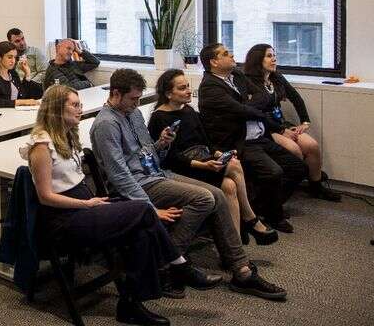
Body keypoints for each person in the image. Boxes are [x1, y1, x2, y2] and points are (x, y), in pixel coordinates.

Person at [90, 68, 286, 301]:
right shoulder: (106, 125)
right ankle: (171, 262)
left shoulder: (133, 114)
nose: (136, 103)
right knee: (204, 198)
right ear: (115, 93)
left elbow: (147, 153)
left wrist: (162, 144)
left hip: (157, 174)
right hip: (139, 184)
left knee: (217, 194)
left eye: (138, 98)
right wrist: (149, 208)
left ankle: (240, 269)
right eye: (133, 98)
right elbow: (120, 176)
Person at [23, 85, 177, 326]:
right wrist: (86, 204)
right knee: (143, 210)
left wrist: (89, 203)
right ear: (56, 108)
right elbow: (46, 197)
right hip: (63, 220)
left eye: (80, 104)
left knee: (141, 231)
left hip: (82, 207)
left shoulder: (65, 135)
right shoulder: (41, 146)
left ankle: (131, 303)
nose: (80, 109)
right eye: (74, 105)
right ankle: (178, 264)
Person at [148, 70, 278, 245]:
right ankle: (250, 219)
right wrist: (204, 165)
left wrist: (218, 154)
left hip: (202, 158)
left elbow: (206, 141)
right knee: (234, 165)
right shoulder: (159, 118)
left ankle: (235, 242)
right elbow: (170, 159)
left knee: (229, 185)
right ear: (169, 94)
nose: (188, 91)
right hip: (184, 167)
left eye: (188, 86)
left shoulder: (188, 110)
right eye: (182, 88)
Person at [197, 43, 308, 233]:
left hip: (258, 136)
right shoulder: (210, 87)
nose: (232, 55)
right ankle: (274, 216)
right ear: (214, 62)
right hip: (238, 142)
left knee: (298, 168)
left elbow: (264, 97)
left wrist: (247, 106)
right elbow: (245, 109)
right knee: (274, 172)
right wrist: (248, 107)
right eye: (226, 53)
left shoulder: (236, 74)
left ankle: (263, 207)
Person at [242, 44, 340, 202]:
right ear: (257, 59)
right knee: (294, 149)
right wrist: (281, 131)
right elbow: (254, 114)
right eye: (269, 56)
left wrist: (305, 122)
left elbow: (296, 98)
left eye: (274, 55)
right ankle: (285, 188)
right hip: (266, 128)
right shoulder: (247, 82)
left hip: (281, 123)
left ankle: (315, 186)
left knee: (312, 146)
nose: (274, 59)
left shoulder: (276, 77)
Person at [0, 41, 42, 111]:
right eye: (10, 57)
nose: (13, 61)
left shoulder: (12, 73)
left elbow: (23, 94)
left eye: (15, 57)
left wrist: (27, 74)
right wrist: (22, 102)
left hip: (13, 112)